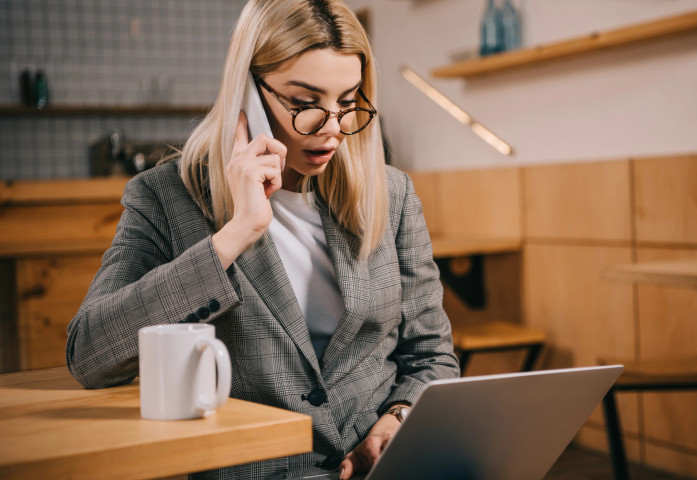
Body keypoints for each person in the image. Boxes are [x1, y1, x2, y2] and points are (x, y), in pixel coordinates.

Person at [66, 0, 460, 478]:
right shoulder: (165, 197)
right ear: (248, 91)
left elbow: (430, 356)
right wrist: (235, 234)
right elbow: (89, 353)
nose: (332, 128)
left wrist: (398, 419)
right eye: (304, 103)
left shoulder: (391, 193)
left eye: (347, 101)